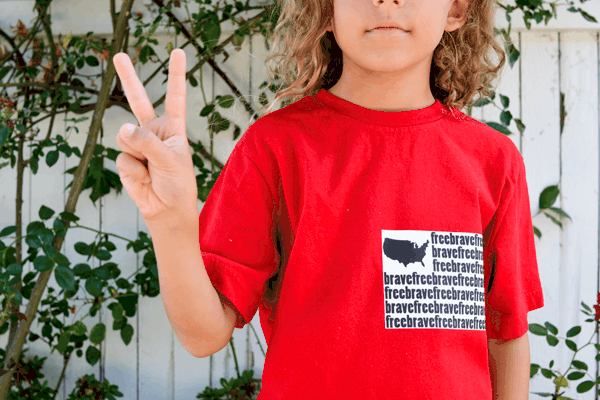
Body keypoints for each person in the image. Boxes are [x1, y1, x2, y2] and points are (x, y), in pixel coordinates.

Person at [113, 0, 544, 397]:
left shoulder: (493, 162)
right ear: (328, 10)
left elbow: (506, 332)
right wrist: (171, 221)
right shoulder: (274, 149)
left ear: (456, 9)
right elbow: (202, 334)